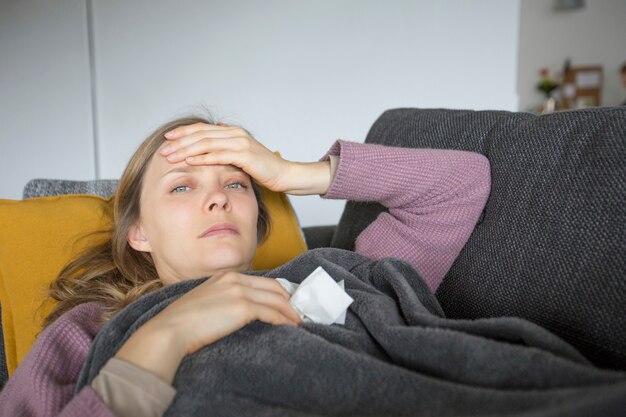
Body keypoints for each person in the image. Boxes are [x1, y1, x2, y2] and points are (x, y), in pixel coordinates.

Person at [0, 116, 491, 416]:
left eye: (236, 184)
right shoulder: (87, 330)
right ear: (139, 233)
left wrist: (289, 173)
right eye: (181, 186)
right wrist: (165, 336)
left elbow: (459, 184)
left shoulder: (327, 277)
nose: (217, 198)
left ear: (258, 218)